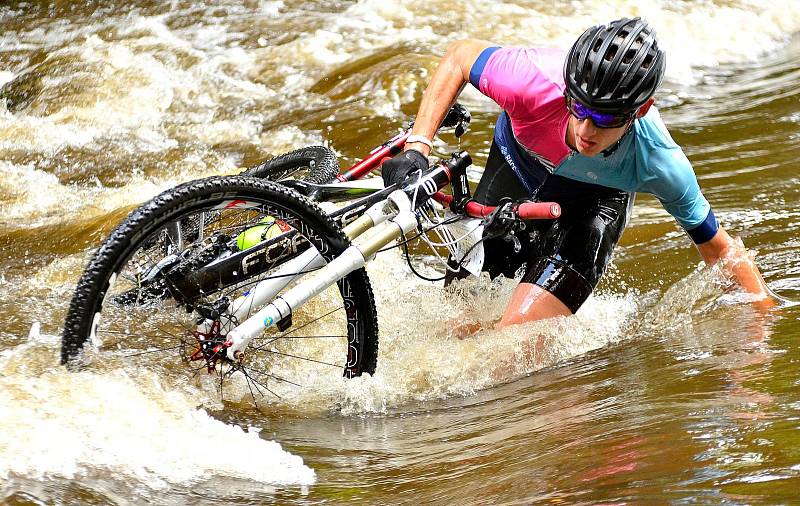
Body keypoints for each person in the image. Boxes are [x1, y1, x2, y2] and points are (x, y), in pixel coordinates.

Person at [381, 17, 772, 333]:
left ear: (640, 109)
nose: (586, 130)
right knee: (454, 326)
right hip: (517, 165)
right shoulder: (531, 80)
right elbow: (459, 57)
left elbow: (719, 250)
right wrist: (418, 147)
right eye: (578, 108)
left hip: (594, 203)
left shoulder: (660, 163)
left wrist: (762, 327)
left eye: (604, 118)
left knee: (514, 342)